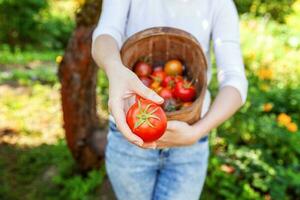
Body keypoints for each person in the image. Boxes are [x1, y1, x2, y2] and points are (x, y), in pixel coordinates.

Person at [92, 0, 248, 199]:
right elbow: (105, 34)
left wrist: (196, 132)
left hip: (190, 144)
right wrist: (114, 67)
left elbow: (235, 81)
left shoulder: (219, 4)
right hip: (130, 138)